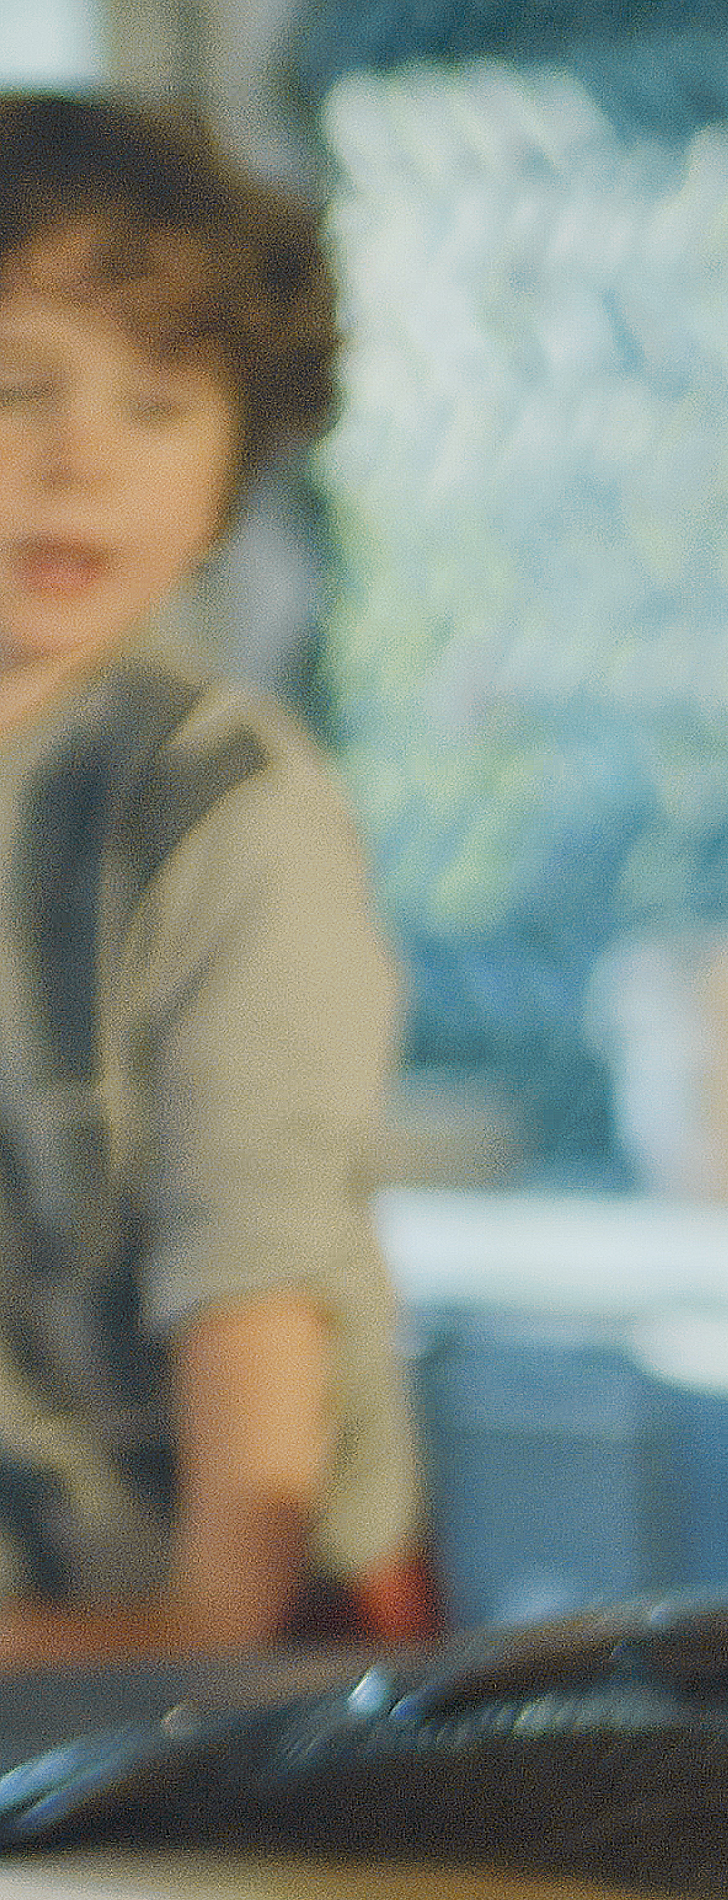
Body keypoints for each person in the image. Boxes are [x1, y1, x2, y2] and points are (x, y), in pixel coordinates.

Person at [0, 94, 423, 1665]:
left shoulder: (226, 810)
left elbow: (252, 1258)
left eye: (161, 405)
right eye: (13, 388)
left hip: (235, 1622)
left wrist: (200, 1633)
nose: (78, 457)